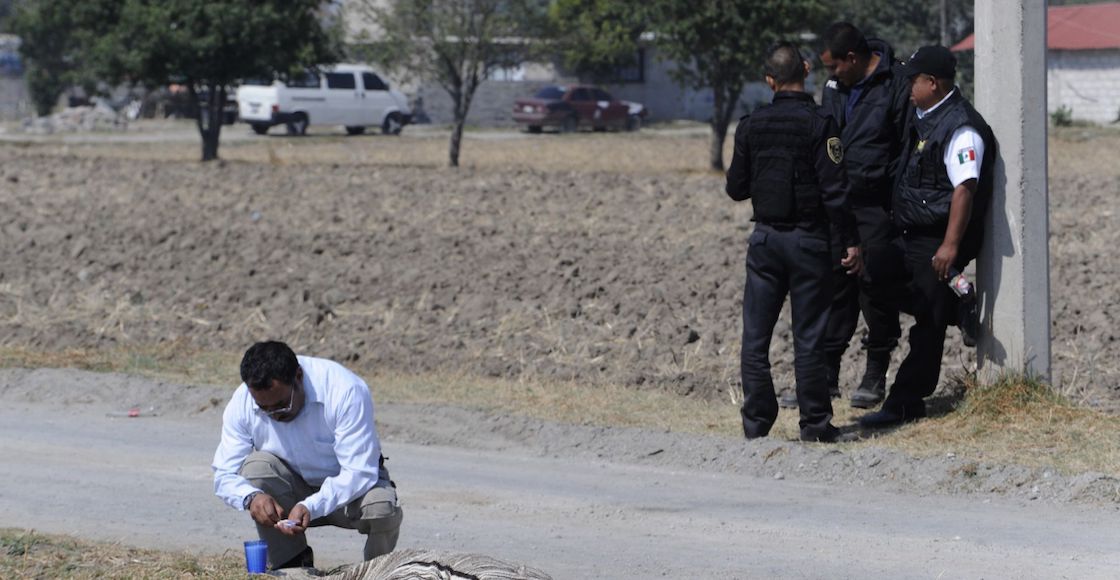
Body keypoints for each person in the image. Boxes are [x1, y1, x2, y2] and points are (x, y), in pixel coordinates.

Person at [726, 41, 862, 442]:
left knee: (755, 338)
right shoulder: (821, 124)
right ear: (806, 70)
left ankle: (756, 424)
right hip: (809, 243)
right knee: (809, 339)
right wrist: (850, 241)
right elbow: (835, 191)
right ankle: (815, 425)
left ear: (769, 80)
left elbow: (736, 188)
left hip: (765, 241)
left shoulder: (751, 125)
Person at [776, 22, 911, 411]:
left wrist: (895, 208)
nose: (830, 74)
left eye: (834, 66)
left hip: (877, 207)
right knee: (834, 290)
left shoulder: (896, 84)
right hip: (837, 204)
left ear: (852, 58)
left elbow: (903, 148)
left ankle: (875, 374)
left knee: (875, 289)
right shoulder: (835, 88)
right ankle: (824, 378)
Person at [859, 46, 995, 428]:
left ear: (932, 83)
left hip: (936, 238)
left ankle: (904, 403)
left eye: (913, 81)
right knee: (870, 276)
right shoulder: (924, 118)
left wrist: (949, 246)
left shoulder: (962, 128)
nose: (907, 89)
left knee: (927, 326)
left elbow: (964, 190)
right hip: (908, 232)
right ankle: (955, 303)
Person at [212, 341, 403, 569]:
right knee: (256, 469)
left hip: (350, 496)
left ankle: (377, 572)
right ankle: (292, 566)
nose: (274, 415)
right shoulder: (243, 401)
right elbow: (224, 474)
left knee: (381, 507)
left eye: (281, 405)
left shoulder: (345, 390)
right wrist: (251, 497)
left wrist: (312, 505)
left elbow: (359, 473)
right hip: (292, 494)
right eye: (264, 409)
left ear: (298, 376)